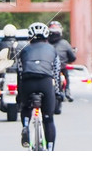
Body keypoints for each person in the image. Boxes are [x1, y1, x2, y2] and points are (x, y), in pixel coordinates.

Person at [18, 22, 62, 151]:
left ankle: (25, 126)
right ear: (47, 35)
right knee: (48, 119)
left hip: (28, 81)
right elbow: (56, 72)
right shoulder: (52, 50)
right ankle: (49, 148)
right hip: (45, 82)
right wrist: (58, 92)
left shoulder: (24, 50)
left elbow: (20, 72)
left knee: (25, 106)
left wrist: (20, 95)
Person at [48, 21, 76, 102]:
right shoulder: (65, 43)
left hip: (49, 67)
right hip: (61, 67)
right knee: (66, 75)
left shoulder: (45, 43)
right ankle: (67, 91)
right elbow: (72, 57)